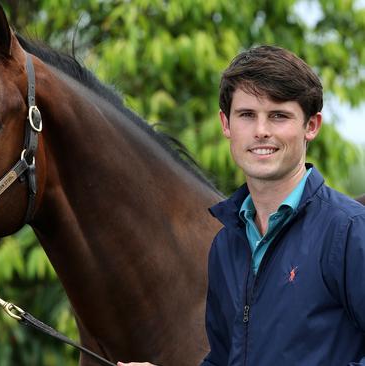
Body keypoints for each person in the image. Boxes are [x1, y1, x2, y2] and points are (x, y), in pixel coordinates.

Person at [119, 45, 365, 366]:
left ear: (311, 126)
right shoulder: (226, 244)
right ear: (226, 124)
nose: (261, 131)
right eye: (247, 115)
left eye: (278, 115)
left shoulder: (349, 231)